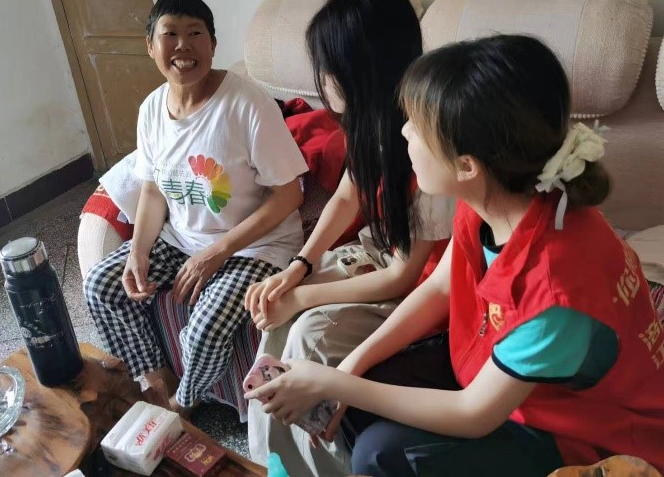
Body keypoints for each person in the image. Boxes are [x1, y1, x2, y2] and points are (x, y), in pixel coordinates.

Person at [246, 35, 664, 476]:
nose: (404, 132)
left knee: (379, 453)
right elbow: (441, 288)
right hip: (506, 378)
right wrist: (350, 369)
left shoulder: (557, 292)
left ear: (467, 165)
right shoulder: (493, 198)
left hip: (578, 435)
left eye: (417, 127)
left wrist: (334, 382)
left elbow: (473, 413)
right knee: (357, 400)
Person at [244, 0, 454, 475]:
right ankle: (272, 461)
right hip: (374, 256)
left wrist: (305, 297)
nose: (319, 79)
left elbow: (405, 277)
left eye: (328, 67)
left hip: (414, 289)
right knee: (273, 306)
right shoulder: (370, 121)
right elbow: (347, 194)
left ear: (363, 69)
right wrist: (298, 269)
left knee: (310, 337)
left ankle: (325, 463)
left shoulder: (425, 145)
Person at [83, 0, 308, 416]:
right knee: (102, 286)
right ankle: (157, 383)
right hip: (182, 239)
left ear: (213, 44)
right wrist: (138, 252)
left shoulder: (248, 105)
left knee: (205, 327)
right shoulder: (151, 109)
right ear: (151, 47)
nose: (183, 46)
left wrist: (216, 252)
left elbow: (290, 193)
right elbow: (153, 190)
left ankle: (183, 403)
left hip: (253, 247)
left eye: (195, 34)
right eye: (170, 34)